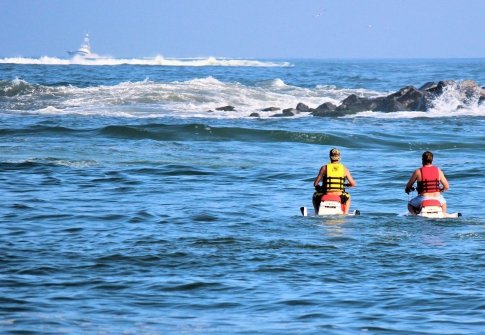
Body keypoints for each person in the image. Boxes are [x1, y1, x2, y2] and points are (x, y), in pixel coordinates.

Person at [313, 148, 356, 214]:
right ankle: (345, 213)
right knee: (348, 196)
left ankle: (316, 212)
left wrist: (318, 187)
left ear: (330, 157)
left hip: (326, 193)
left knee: (315, 195)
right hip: (339, 195)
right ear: (339, 157)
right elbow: (353, 184)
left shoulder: (324, 168)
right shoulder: (344, 169)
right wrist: (347, 185)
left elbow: (315, 184)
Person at [405, 151, 449, 215]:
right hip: (437, 197)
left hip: (423, 198)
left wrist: (408, 188)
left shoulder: (418, 171)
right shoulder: (438, 171)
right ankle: (443, 214)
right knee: (444, 204)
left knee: (410, 205)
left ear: (422, 160)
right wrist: (440, 190)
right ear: (432, 160)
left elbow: (408, 185)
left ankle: (415, 215)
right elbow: (446, 186)